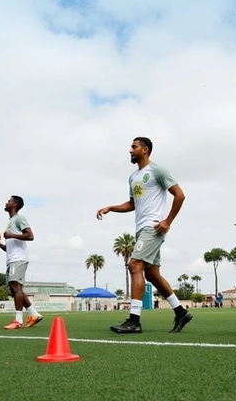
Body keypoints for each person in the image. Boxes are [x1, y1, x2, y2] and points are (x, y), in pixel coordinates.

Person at [96, 136, 192, 334]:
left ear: (145, 150)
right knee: (151, 274)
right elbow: (132, 204)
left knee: (134, 265)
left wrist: (167, 221)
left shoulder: (157, 170)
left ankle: (134, 321)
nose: (130, 150)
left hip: (153, 227)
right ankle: (181, 312)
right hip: (141, 229)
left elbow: (179, 195)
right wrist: (110, 208)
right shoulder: (133, 177)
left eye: (134, 147)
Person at [0, 195, 43, 329]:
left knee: (16, 288)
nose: (6, 202)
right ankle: (34, 314)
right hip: (12, 259)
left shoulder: (19, 218)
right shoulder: (10, 221)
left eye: (9, 201)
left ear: (14, 205)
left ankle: (18, 321)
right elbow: (9, 248)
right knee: (16, 289)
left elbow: (30, 235)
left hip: (19, 259)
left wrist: (11, 235)